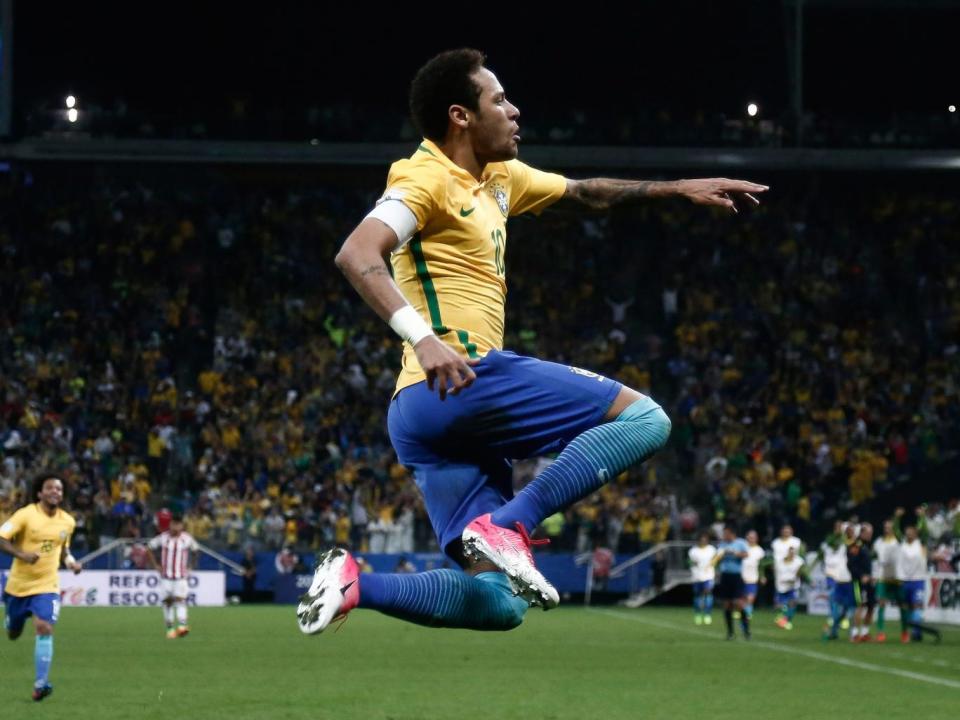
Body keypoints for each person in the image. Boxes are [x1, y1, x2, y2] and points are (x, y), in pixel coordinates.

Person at [297, 48, 766, 635]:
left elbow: (586, 191)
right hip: (459, 376)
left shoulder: (498, 179)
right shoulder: (423, 177)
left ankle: (356, 584)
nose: (514, 110)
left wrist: (675, 189)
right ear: (460, 116)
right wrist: (423, 338)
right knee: (646, 421)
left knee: (500, 604)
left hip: (422, 417)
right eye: (498, 99)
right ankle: (508, 524)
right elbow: (356, 252)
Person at [0, 472, 82, 701]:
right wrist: (22, 554)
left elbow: (63, 549)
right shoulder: (26, 515)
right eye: (50, 488)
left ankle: (40, 684)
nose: (55, 491)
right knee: (13, 633)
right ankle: (11, 620)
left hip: (47, 585)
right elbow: (1, 538)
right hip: (18, 586)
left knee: (44, 626)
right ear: (39, 492)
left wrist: (71, 562)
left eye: (59, 489)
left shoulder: (67, 521)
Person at [145, 513, 198, 639]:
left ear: (182, 526)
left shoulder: (187, 539)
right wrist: (155, 565)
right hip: (166, 577)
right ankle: (170, 629)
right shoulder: (163, 538)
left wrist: (191, 566)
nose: (176, 527)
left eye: (178, 524)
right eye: (174, 524)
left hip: (180, 577)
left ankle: (182, 626)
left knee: (180, 600)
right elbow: (148, 548)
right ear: (170, 524)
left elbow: (196, 550)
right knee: (167, 602)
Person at [714, 524, 750, 640]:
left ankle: (746, 631)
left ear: (732, 533)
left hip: (736, 576)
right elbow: (716, 557)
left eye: (726, 533)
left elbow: (746, 554)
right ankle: (730, 633)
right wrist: (720, 555)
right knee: (727, 604)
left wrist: (735, 553)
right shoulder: (722, 544)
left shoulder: (740, 543)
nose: (724, 536)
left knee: (738, 603)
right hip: (725, 576)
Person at [872, 518, 901, 642]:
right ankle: (880, 632)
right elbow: (874, 558)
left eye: (889, 527)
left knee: (903, 605)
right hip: (882, 576)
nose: (887, 530)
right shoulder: (879, 542)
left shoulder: (897, 542)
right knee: (881, 603)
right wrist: (874, 574)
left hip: (896, 577)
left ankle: (905, 632)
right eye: (885, 527)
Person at [846, 523, 876, 642]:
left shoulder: (868, 546)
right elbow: (850, 564)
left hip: (869, 581)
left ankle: (864, 632)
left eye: (871, 533)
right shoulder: (856, 545)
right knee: (860, 605)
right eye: (868, 533)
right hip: (859, 582)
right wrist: (860, 576)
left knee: (871, 606)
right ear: (862, 533)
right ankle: (854, 634)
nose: (870, 535)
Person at [773, 545, 805, 630]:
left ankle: (786, 621)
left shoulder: (799, 561)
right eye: (790, 551)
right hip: (781, 586)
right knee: (780, 606)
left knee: (792, 603)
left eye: (793, 552)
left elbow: (800, 571)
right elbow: (777, 572)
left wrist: (795, 578)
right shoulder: (780, 562)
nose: (791, 553)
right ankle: (782, 618)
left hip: (793, 586)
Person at [688, 532, 717, 625]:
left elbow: (715, 560)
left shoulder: (712, 549)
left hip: (708, 576)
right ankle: (698, 614)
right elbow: (689, 562)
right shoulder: (693, 551)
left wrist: (712, 565)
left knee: (708, 592)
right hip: (697, 576)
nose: (703, 540)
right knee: (698, 595)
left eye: (705, 538)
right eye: (701, 538)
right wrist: (693, 564)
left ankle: (707, 614)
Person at [741, 530, 766, 621]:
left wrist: (762, 576)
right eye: (749, 537)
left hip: (753, 577)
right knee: (742, 597)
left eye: (753, 537)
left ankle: (748, 613)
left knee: (750, 597)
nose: (751, 539)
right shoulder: (742, 547)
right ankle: (742, 612)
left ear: (757, 539)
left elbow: (761, 565)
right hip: (741, 576)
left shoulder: (759, 550)